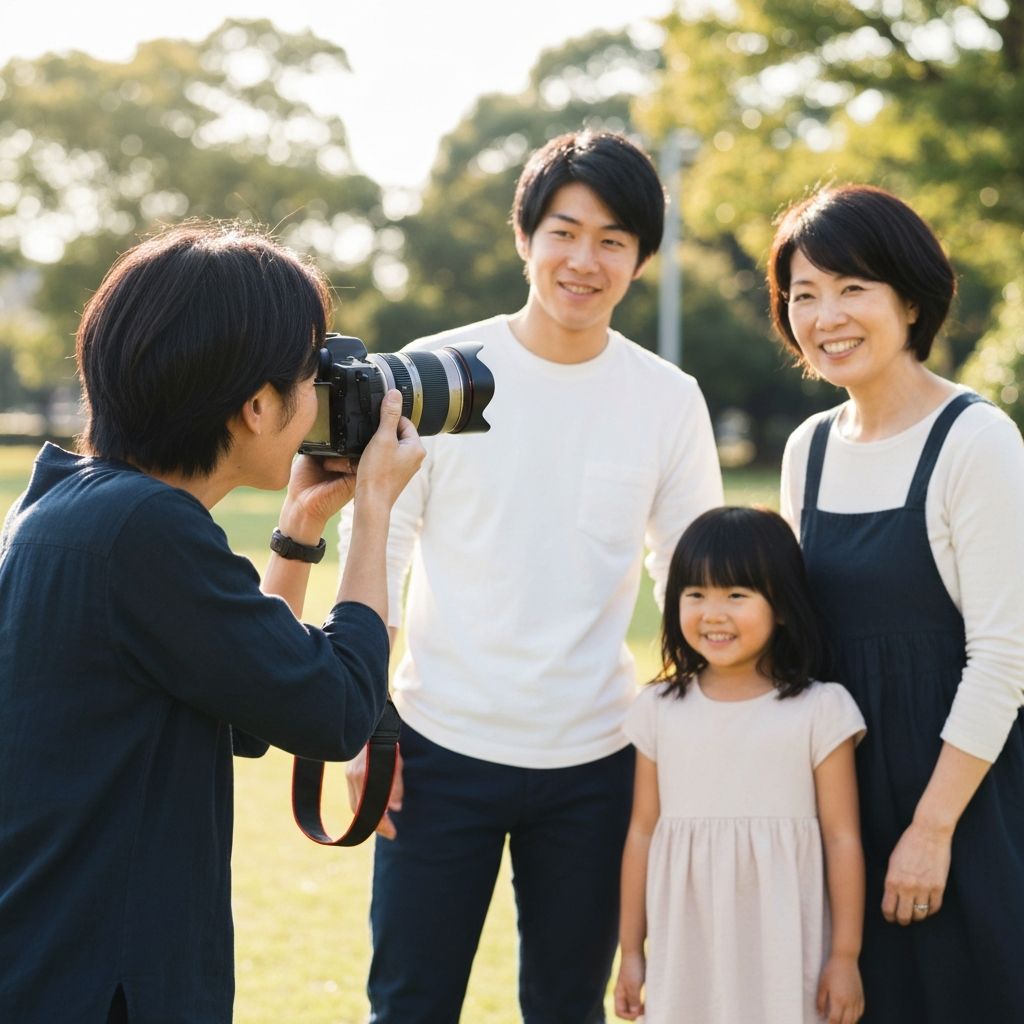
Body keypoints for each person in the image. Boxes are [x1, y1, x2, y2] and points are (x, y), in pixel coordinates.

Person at [339, 129, 723, 1022]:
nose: (585, 261)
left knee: (567, 1008)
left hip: (597, 760)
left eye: (613, 241)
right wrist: (365, 726)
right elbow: (381, 549)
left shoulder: (668, 399)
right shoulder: (434, 374)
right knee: (409, 1005)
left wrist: (702, 732)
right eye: (564, 232)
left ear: (641, 259)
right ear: (524, 237)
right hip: (433, 748)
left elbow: (691, 573)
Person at [0, 224, 425, 1023]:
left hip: (54, 962)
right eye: (312, 376)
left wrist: (298, 530)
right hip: (107, 985)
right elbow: (337, 710)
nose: (321, 399)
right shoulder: (145, 530)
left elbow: (249, 704)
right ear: (258, 406)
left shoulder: (65, 503)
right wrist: (374, 513)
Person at [769, 184, 1024, 1021]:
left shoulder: (976, 440)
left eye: (853, 288)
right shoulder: (807, 450)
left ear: (911, 300)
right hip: (839, 809)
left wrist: (932, 829)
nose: (826, 316)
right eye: (804, 294)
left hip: (960, 803)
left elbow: (1004, 658)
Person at [613, 506, 866, 1024]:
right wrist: (632, 951)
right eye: (695, 594)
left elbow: (842, 839)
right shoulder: (658, 709)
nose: (713, 613)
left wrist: (845, 956)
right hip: (687, 946)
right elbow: (642, 832)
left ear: (783, 606)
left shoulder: (820, 710)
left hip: (783, 947)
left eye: (736, 595)